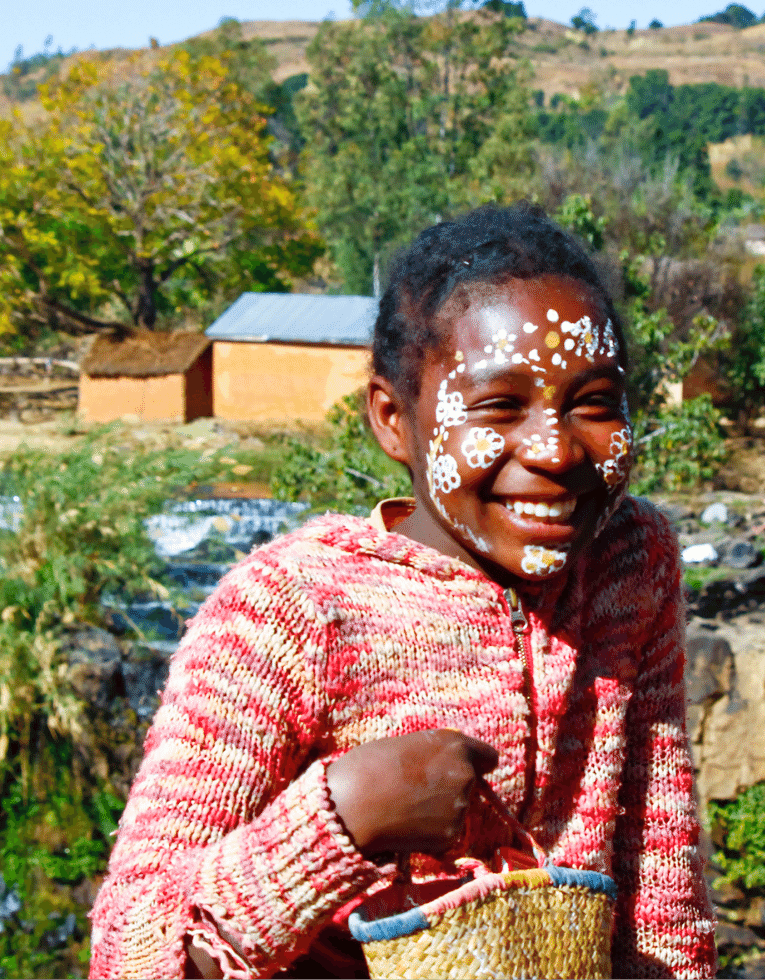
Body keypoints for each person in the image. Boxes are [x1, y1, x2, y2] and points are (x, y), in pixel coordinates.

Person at [88, 203, 717, 979]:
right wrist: (343, 816)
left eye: (593, 404)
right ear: (393, 419)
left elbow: (660, 884)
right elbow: (130, 949)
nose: (556, 450)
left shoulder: (630, 560)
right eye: (498, 406)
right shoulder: (292, 610)